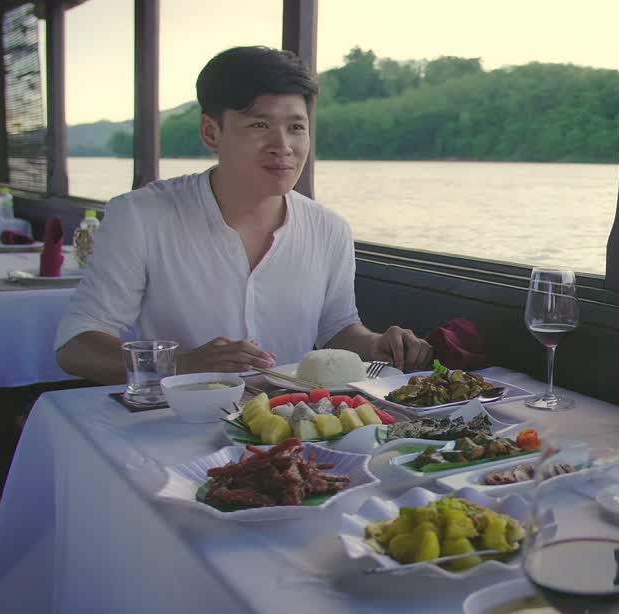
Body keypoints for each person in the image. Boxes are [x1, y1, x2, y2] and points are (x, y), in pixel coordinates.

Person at [55, 46, 432, 384]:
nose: (282, 146)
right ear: (210, 131)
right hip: (174, 425)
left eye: (296, 127)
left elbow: (337, 330)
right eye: (259, 125)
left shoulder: (328, 228)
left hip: (295, 428)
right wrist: (181, 364)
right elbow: (76, 346)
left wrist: (377, 345)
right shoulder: (140, 216)